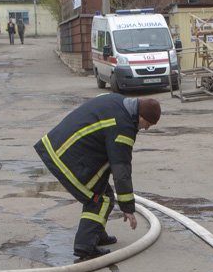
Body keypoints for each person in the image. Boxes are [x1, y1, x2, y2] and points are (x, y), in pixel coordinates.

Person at [34, 94, 161, 261]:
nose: (146, 129)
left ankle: (96, 234)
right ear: (141, 117)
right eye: (147, 125)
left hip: (59, 147)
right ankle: (85, 246)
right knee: (99, 200)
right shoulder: (123, 127)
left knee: (105, 193)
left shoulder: (118, 102)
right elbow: (121, 169)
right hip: (68, 159)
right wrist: (128, 207)